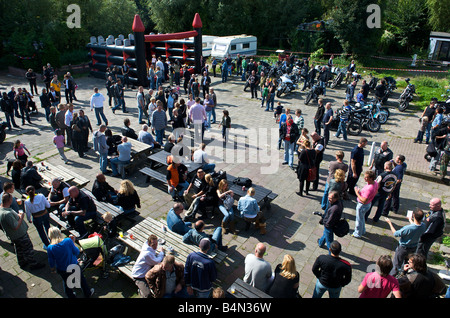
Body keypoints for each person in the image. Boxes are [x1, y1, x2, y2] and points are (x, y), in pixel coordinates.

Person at [0, 193, 45, 270]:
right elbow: (15, 226)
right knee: (28, 249)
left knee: (19, 249)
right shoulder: (7, 214)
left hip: (14, 236)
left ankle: (22, 262)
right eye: (11, 198)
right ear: (9, 200)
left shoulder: (2, 209)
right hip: (19, 235)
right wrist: (21, 217)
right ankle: (33, 264)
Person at [47, 227, 94, 298]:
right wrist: (73, 242)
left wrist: (52, 269)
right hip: (73, 265)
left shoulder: (50, 247)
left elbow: (51, 260)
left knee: (66, 284)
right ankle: (88, 293)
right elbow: (76, 252)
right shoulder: (68, 241)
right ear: (59, 233)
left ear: (50, 236)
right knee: (81, 280)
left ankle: (71, 296)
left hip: (62, 269)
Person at [385, 209, 426, 276]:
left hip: (403, 248)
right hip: (414, 247)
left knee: (396, 263)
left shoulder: (408, 228)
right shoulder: (423, 226)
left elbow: (396, 234)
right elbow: (416, 226)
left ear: (414, 215)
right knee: (408, 263)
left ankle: (391, 276)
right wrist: (410, 220)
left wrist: (389, 223)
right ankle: (404, 273)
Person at [352, 170, 378, 238]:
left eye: (366, 177)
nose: (364, 178)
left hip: (362, 205)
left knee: (359, 220)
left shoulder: (369, 189)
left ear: (371, 178)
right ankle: (363, 230)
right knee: (362, 218)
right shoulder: (375, 183)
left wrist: (357, 193)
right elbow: (376, 191)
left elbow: (364, 201)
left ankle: (357, 233)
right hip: (368, 204)